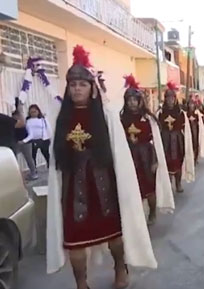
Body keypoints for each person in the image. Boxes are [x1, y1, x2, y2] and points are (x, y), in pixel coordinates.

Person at [47, 45, 157, 289]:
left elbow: (118, 153)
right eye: (73, 84)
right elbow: (55, 157)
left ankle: (120, 267)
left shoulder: (105, 115)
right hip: (72, 187)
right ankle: (81, 283)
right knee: (74, 240)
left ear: (92, 88)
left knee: (114, 235)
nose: (77, 88)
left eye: (82, 84)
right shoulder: (60, 117)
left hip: (103, 182)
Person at [120, 74, 174, 225]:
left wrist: (155, 160)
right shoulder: (122, 118)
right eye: (129, 100)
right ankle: (136, 216)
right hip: (129, 155)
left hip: (146, 155)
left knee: (149, 187)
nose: (132, 103)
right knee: (133, 187)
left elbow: (154, 141)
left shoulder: (148, 118)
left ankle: (152, 212)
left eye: (134, 100)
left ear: (139, 101)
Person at [159, 82, 194, 192]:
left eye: (172, 98)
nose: (170, 100)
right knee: (167, 163)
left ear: (175, 99)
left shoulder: (180, 113)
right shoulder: (160, 113)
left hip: (178, 140)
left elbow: (185, 129)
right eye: (168, 98)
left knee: (178, 162)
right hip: (165, 141)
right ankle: (168, 185)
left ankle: (178, 184)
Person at [12, 109, 39, 180]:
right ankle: (17, 175)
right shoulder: (13, 125)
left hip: (26, 143)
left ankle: (34, 173)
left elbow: (31, 135)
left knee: (29, 158)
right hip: (16, 143)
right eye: (14, 117)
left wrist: (23, 141)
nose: (16, 118)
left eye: (17, 116)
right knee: (14, 158)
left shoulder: (26, 124)